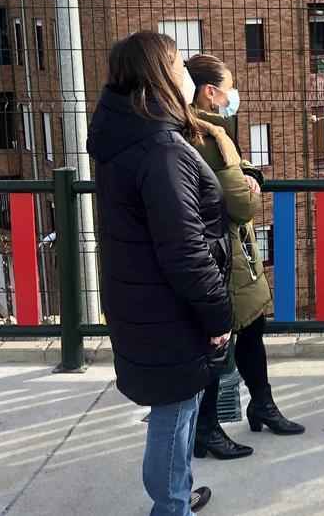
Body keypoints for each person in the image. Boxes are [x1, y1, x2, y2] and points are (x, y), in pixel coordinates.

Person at [87, 31, 233, 515]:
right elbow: (185, 249)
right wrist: (218, 315)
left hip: (140, 300)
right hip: (169, 307)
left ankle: (176, 494)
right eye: (176, 64)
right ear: (158, 75)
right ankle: (170, 508)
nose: (185, 73)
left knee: (175, 408)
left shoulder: (123, 134)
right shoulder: (160, 148)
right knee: (174, 414)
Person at [185, 54, 305, 461]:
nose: (233, 95)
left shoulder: (217, 132)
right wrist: (248, 184)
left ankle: (262, 406)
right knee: (217, 344)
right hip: (221, 252)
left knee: (252, 329)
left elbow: (244, 172)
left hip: (237, 254)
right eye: (228, 88)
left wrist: (250, 176)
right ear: (210, 92)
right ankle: (207, 430)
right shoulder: (201, 136)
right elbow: (240, 202)